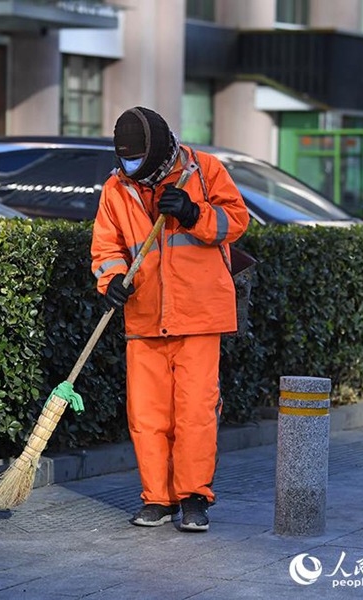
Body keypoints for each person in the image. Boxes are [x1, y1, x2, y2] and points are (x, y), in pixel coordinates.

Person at [91, 106, 249, 532]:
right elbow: (106, 250)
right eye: (125, 160)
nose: (130, 169)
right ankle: (157, 499)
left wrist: (195, 213)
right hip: (143, 316)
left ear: (160, 155)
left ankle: (194, 498)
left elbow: (236, 222)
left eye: (138, 162)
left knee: (195, 412)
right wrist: (112, 282)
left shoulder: (205, 170)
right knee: (147, 415)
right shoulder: (115, 189)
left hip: (199, 316)